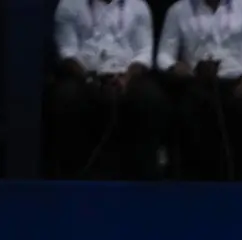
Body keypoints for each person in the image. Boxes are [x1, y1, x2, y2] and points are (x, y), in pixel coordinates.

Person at [49, 0, 168, 180]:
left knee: (150, 98)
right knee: (66, 97)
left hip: (127, 75)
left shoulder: (138, 6)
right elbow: (67, 52)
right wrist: (90, 80)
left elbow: (144, 53)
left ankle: (145, 177)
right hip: (85, 76)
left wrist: (126, 79)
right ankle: (73, 176)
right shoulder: (69, 5)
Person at [156, 0, 242, 180]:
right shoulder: (178, 10)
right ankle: (196, 184)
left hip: (238, 81)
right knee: (188, 112)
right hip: (197, 79)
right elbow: (164, 54)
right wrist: (174, 66)